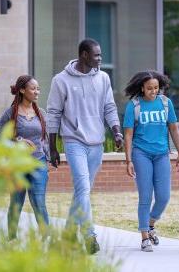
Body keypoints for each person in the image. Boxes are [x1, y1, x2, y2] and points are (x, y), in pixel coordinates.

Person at [46, 38, 123, 254]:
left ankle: (68, 233)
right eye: (97, 55)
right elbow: (53, 113)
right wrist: (52, 147)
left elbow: (109, 106)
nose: (100, 59)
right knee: (84, 188)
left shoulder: (103, 78)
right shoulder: (60, 81)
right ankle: (89, 236)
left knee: (82, 192)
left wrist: (116, 132)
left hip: (96, 143)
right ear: (84, 55)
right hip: (74, 141)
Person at [123, 71, 179, 252]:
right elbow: (128, 134)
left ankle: (150, 224)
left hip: (161, 155)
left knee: (164, 197)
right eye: (149, 88)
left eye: (156, 88)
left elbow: (173, 128)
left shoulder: (165, 103)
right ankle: (144, 237)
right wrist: (128, 160)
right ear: (142, 88)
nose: (153, 91)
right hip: (141, 154)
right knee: (145, 196)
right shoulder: (134, 105)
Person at [0, 75, 50, 240]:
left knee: (38, 201)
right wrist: (18, 142)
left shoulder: (40, 113)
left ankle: (46, 238)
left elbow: (45, 138)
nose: (37, 92)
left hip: (38, 162)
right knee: (16, 203)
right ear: (22, 90)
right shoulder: (10, 114)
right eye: (33, 88)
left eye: (38, 88)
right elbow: (0, 139)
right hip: (17, 165)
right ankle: (12, 238)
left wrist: (48, 157)